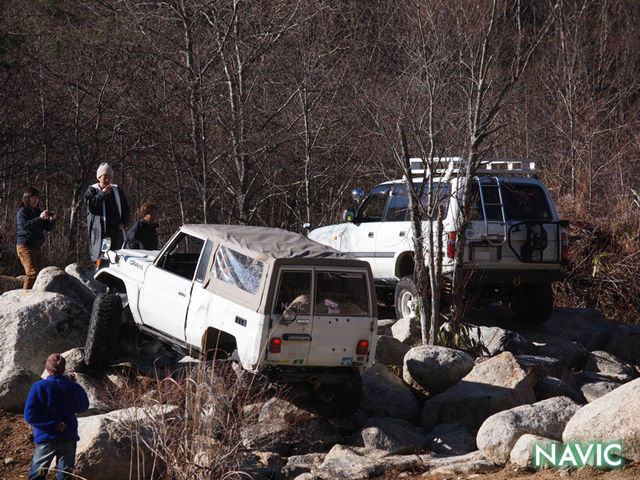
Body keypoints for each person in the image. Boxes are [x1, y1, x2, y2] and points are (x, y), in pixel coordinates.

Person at [24, 353, 89, 480]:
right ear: (63, 369)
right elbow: (83, 407)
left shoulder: (39, 386)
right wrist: (72, 385)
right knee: (66, 477)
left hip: (46, 437)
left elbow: (29, 415)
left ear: (47, 369)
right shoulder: (74, 387)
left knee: (37, 476)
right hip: (68, 436)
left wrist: (53, 425)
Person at [84, 163, 130, 263]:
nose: (107, 180)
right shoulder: (92, 190)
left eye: (110, 177)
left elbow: (126, 209)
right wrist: (102, 194)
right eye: (105, 177)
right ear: (99, 177)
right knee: (101, 260)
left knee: (117, 260)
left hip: (116, 233)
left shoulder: (117, 190)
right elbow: (91, 207)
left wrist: (123, 223)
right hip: (101, 234)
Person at [16, 187, 56, 289]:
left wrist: (52, 220)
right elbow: (24, 225)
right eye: (33, 198)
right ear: (27, 199)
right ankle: (25, 297)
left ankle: (32, 295)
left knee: (38, 274)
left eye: (37, 198)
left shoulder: (38, 212)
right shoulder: (22, 211)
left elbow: (47, 228)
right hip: (24, 246)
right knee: (32, 272)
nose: (35, 200)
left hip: (36, 246)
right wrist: (39, 218)